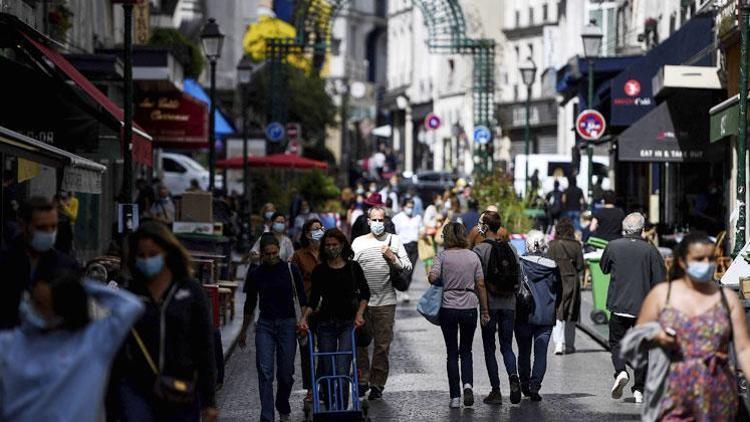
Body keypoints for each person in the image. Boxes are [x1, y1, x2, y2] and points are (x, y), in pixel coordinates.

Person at [0, 267, 144, 422]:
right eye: (31, 301)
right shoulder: (9, 343)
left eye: (40, 305)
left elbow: (131, 306)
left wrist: (82, 285)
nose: (31, 309)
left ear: (62, 312)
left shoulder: (93, 343)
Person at [633, 234, 750, 420]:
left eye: (711, 258)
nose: (706, 264)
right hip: (674, 393)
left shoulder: (728, 299)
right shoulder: (662, 295)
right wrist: (659, 337)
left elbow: (744, 349)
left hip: (718, 394)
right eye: (699, 259)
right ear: (682, 262)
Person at [117, 220, 218, 421]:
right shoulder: (130, 295)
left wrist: (209, 402)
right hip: (137, 390)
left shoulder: (190, 291)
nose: (147, 260)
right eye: (141, 256)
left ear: (167, 253)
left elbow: (205, 345)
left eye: (153, 254)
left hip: (180, 390)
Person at [299, 229, 370, 410]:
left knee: (342, 367)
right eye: (328, 245)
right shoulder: (320, 270)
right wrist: (304, 318)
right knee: (328, 367)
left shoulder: (353, 268)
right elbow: (314, 300)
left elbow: (365, 294)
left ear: (342, 245)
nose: (331, 248)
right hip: (325, 324)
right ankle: (331, 407)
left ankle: (342, 407)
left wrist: (360, 314)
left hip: (348, 324)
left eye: (334, 245)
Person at [239, 234, 307, 422]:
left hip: (288, 324)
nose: (271, 257)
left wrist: (303, 319)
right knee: (265, 372)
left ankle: (282, 404)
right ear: (261, 254)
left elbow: (302, 297)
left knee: (286, 373)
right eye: (267, 254)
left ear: (279, 251)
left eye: (274, 253)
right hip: (265, 325)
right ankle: (267, 417)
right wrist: (243, 331)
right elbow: (250, 303)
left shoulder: (290, 270)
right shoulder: (256, 273)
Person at [600, 213, 665, 404]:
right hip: (643, 308)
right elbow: (660, 280)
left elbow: (603, 268)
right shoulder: (650, 250)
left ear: (623, 228)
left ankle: (620, 371)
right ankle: (639, 390)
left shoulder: (613, 246)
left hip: (618, 304)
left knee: (616, 343)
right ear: (643, 230)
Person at [352, 206, 411, 400]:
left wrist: (392, 257)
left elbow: (407, 266)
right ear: (368, 222)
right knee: (361, 343)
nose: (378, 224)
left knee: (382, 345)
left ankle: (377, 384)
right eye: (374, 220)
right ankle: (363, 380)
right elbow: (351, 270)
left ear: (385, 221)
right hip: (363, 303)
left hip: (386, 302)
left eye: (381, 220)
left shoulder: (394, 240)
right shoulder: (358, 243)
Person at [428, 222, 489, 409]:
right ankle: (468, 385)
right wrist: (484, 311)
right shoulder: (473, 256)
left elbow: (432, 278)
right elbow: (480, 285)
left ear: (446, 237)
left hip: (448, 306)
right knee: (467, 350)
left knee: (452, 353)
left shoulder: (442, 256)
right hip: (470, 306)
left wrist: (436, 273)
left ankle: (455, 397)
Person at [0, 197, 78, 329]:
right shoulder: (5, 262)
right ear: (23, 225)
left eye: (53, 227)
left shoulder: (66, 265)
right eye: (41, 227)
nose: (49, 233)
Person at [473, 211, 522, 405]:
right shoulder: (511, 248)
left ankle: (496, 391)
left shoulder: (479, 250)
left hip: (489, 305)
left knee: (489, 348)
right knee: (507, 346)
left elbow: (478, 281)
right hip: (509, 304)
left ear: (484, 227)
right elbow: (518, 276)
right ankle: (514, 377)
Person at [515, 230, 561, 402]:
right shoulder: (552, 266)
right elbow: (559, 291)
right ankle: (535, 386)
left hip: (523, 315)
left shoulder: (520, 263)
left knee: (524, 352)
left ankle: (524, 384)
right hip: (546, 315)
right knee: (541, 353)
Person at [290, 218, 324, 403]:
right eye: (315, 229)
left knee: (327, 347)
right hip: (306, 309)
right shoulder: (299, 256)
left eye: (321, 228)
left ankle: (324, 384)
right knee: (307, 349)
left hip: (327, 307)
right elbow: (294, 285)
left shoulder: (328, 252)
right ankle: (311, 388)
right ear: (307, 233)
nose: (319, 231)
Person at [548, 217, 584, 355]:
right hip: (572, 281)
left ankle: (558, 343)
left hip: (556, 281)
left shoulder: (553, 245)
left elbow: (548, 264)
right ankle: (569, 345)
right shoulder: (576, 245)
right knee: (571, 313)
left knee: (557, 312)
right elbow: (580, 265)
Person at [392, 197, 422, 300]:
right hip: (402, 246)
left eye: (412, 207)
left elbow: (421, 230)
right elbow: (393, 232)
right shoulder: (397, 218)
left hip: (414, 246)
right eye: (408, 206)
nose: (410, 209)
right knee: (403, 269)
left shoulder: (417, 217)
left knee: (410, 269)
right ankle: (401, 289)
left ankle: (405, 289)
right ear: (403, 207)